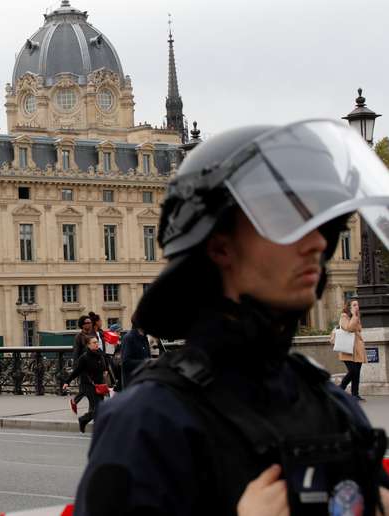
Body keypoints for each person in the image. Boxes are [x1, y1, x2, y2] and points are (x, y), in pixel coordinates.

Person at [73, 120, 389, 515]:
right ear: (220, 246)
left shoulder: (331, 404)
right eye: (289, 221)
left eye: (322, 224)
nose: (317, 243)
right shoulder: (149, 422)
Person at [62, 337, 109, 433]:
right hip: (88, 385)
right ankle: (94, 426)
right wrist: (67, 381)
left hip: (99, 385)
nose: (96, 344)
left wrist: (105, 371)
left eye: (97, 342)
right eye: (94, 342)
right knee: (98, 407)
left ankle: (85, 420)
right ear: (88, 345)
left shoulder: (100, 354)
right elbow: (76, 371)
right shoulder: (84, 357)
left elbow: (105, 366)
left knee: (99, 407)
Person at [339, 298, 366, 401]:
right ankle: (341, 388)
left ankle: (355, 394)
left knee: (357, 372)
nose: (357, 307)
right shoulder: (344, 316)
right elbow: (349, 328)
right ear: (349, 307)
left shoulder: (357, 316)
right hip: (347, 348)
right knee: (352, 371)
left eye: (357, 305)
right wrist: (354, 316)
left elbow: (359, 329)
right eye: (354, 305)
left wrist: (356, 317)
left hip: (357, 348)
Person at [70, 314, 96, 413]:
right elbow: (76, 352)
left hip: (92, 365)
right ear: (82, 325)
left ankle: (75, 401)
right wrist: (76, 368)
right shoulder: (79, 337)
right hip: (83, 366)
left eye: (90, 322)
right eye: (87, 323)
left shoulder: (92, 335)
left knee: (86, 388)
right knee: (88, 388)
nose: (90, 324)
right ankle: (91, 409)